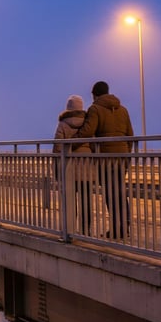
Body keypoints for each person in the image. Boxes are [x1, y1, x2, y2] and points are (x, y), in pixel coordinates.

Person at [75, 81, 134, 239]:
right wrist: (127, 155)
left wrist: (72, 143)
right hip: (122, 158)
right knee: (120, 192)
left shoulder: (95, 109)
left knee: (110, 193)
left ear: (95, 94)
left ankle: (116, 229)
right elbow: (130, 136)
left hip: (105, 158)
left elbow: (88, 131)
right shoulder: (123, 110)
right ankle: (124, 227)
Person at [52, 95, 92, 234]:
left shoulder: (63, 124)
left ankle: (70, 229)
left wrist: (57, 168)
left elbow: (57, 147)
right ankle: (86, 230)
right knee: (86, 200)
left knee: (69, 200)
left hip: (69, 168)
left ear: (68, 107)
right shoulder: (88, 123)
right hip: (86, 167)